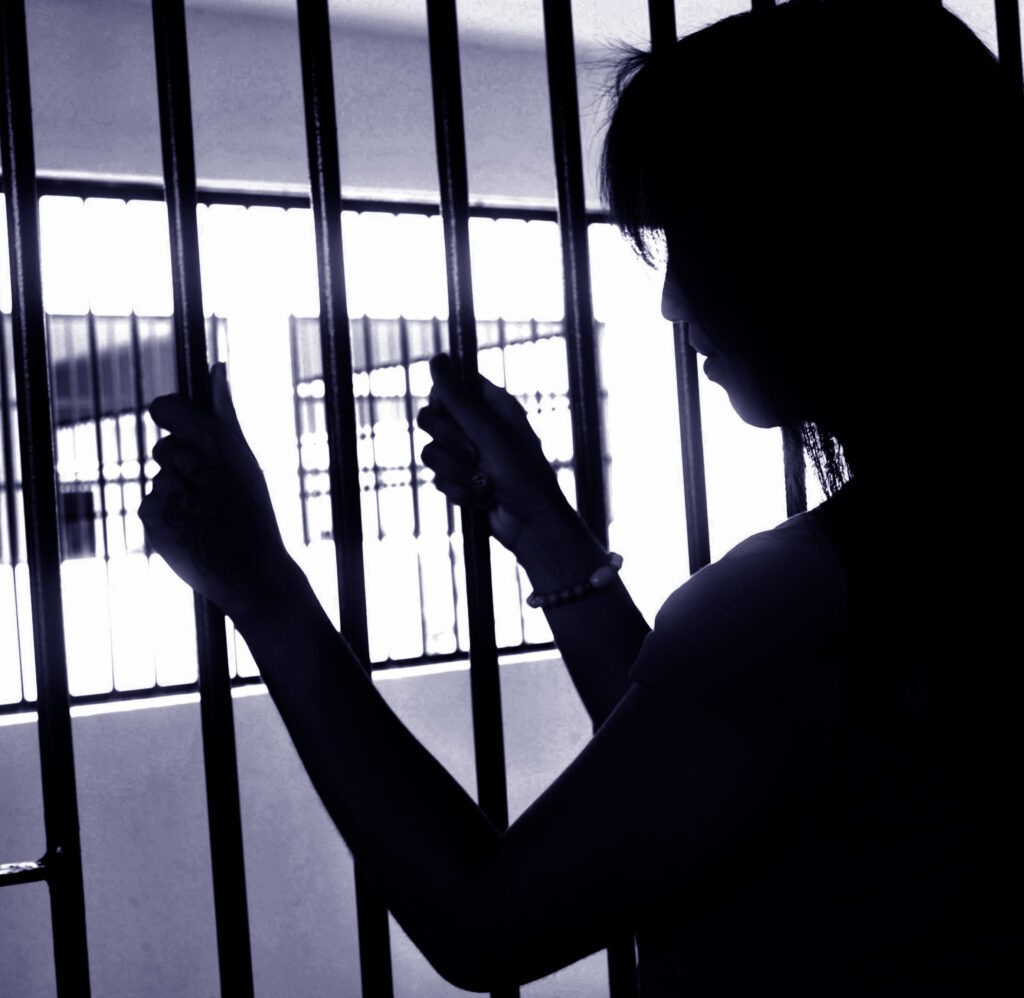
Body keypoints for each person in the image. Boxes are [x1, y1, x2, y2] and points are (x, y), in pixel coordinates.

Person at [139, 0, 1021, 993]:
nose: (673, 300)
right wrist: (550, 541)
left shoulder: (818, 594)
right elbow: (719, 767)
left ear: (818, 247)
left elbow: (483, 922)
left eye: (693, 246)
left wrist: (266, 595)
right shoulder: (946, 550)